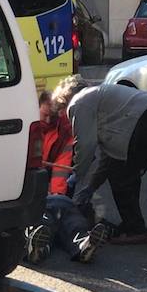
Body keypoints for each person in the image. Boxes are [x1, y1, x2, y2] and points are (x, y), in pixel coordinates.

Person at [52, 76, 147, 245]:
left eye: (62, 111)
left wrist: (76, 175)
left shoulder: (78, 102)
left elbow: (85, 145)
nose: (68, 118)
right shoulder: (104, 101)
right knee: (127, 173)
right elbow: (108, 159)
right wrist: (90, 188)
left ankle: (137, 230)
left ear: (64, 100)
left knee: (122, 177)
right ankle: (131, 224)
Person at [25, 91, 112, 265]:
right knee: (42, 217)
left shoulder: (64, 134)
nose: (49, 121)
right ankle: (38, 244)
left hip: (50, 195)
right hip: (28, 192)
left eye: (53, 116)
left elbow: (60, 172)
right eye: (45, 116)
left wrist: (58, 197)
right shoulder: (23, 131)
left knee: (69, 215)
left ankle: (84, 244)